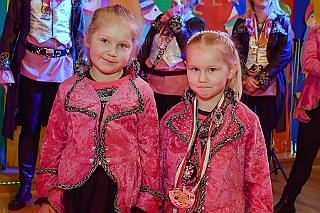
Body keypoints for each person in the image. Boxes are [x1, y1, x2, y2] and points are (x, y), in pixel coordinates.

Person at [35, 5, 163, 213]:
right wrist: (48, 195)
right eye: (104, 41)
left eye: (122, 45)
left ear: (134, 49)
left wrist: (147, 201)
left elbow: (151, 152)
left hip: (121, 193)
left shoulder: (141, 91)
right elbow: (53, 143)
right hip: (75, 190)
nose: (112, 52)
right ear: (88, 39)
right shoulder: (69, 89)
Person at [160, 30, 273, 212]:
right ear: (186, 67)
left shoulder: (246, 122)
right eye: (195, 69)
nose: (202, 79)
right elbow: (158, 177)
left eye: (212, 70)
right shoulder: (170, 120)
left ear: (231, 71)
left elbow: (258, 185)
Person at [0, 0, 84, 210]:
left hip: (63, 69)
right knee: (30, 126)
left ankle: (55, 187)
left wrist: (83, 70)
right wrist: (4, 65)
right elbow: (11, 28)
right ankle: (25, 186)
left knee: (61, 131)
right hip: (31, 68)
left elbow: (79, 33)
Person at [232, 0, 292, 161]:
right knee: (241, 131)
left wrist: (259, 80)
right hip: (244, 87)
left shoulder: (282, 21)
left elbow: (284, 54)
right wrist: (245, 79)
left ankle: (261, 178)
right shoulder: (241, 23)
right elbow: (234, 52)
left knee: (264, 133)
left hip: (269, 86)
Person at [274, 24, 320, 213]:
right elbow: (308, 61)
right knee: (304, 158)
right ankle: (287, 202)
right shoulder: (316, 30)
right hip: (315, 104)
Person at [138, 0, 205, 120]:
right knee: (153, 120)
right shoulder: (161, 18)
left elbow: (190, 51)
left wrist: (178, 25)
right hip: (154, 81)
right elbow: (147, 44)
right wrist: (139, 71)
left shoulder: (195, 22)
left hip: (177, 84)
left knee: (176, 123)